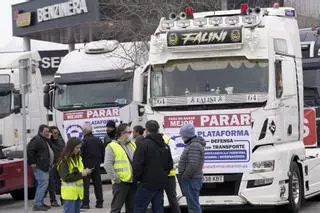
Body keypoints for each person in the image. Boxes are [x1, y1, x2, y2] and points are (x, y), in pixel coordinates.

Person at [133, 120, 173, 213]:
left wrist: (137, 179)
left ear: (146, 130)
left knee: (139, 208)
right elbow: (170, 165)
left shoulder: (143, 145)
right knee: (158, 208)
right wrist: (162, 175)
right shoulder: (165, 145)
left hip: (146, 184)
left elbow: (137, 165)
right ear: (158, 129)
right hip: (160, 183)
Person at [104, 123, 137, 213]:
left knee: (132, 208)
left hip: (132, 181)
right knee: (116, 209)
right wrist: (116, 178)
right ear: (122, 133)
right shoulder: (111, 146)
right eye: (129, 132)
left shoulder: (132, 145)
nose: (131, 134)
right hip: (121, 183)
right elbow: (107, 164)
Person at [57, 137, 92, 213]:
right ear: (71, 148)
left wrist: (85, 171)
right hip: (69, 195)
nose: (79, 149)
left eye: (79, 148)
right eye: (77, 148)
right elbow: (66, 177)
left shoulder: (78, 158)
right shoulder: (64, 161)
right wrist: (82, 174)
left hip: (77, 194)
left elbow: (78, 171)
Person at [178, 124, 205, 213]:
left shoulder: (194, 145)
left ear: (186, 135)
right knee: (192, 204)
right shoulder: (192, 144)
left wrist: (185, 176)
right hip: (191, 179)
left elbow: (193, 164)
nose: (181, 137)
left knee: (193, 205)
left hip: (191, 180)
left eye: (182, 135)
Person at [27, 124, 54, 211]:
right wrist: (33, 163)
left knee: (43, 185)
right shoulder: (37, 140)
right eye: (46, 131)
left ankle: (40, 202)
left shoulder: (44, 140)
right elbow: (30, 150)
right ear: (40, 131)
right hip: (40, 167)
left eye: (48, 131)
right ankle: (37, 204)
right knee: (42, 185)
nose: (47, 133)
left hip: (44, 166)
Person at [80, 124, 104, 209]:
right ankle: (100, 203)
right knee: (98, 185)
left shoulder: (83, 141)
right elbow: (103, 152)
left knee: (85, 186)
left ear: (84, 132)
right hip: (96, 166)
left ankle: (86, 204)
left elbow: (80, 154)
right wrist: (100, 162)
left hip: (86, 167)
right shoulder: (98, 140)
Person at [163, 135, 181, 213]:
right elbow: (176, 158)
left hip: (160, 175)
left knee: (158, 200)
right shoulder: (169, 140)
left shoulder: (150, 141)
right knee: (173, 200)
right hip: (170, 175)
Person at [48, 126, 65, 207]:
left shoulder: (61, 140)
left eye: (57, 133)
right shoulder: (49, 142)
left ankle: (63, 199)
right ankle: (53, 200)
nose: (56, 134)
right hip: (53, 165)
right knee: (52, 183)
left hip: (61, 164)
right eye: (54, 133)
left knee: (62, 182)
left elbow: (64, 151)